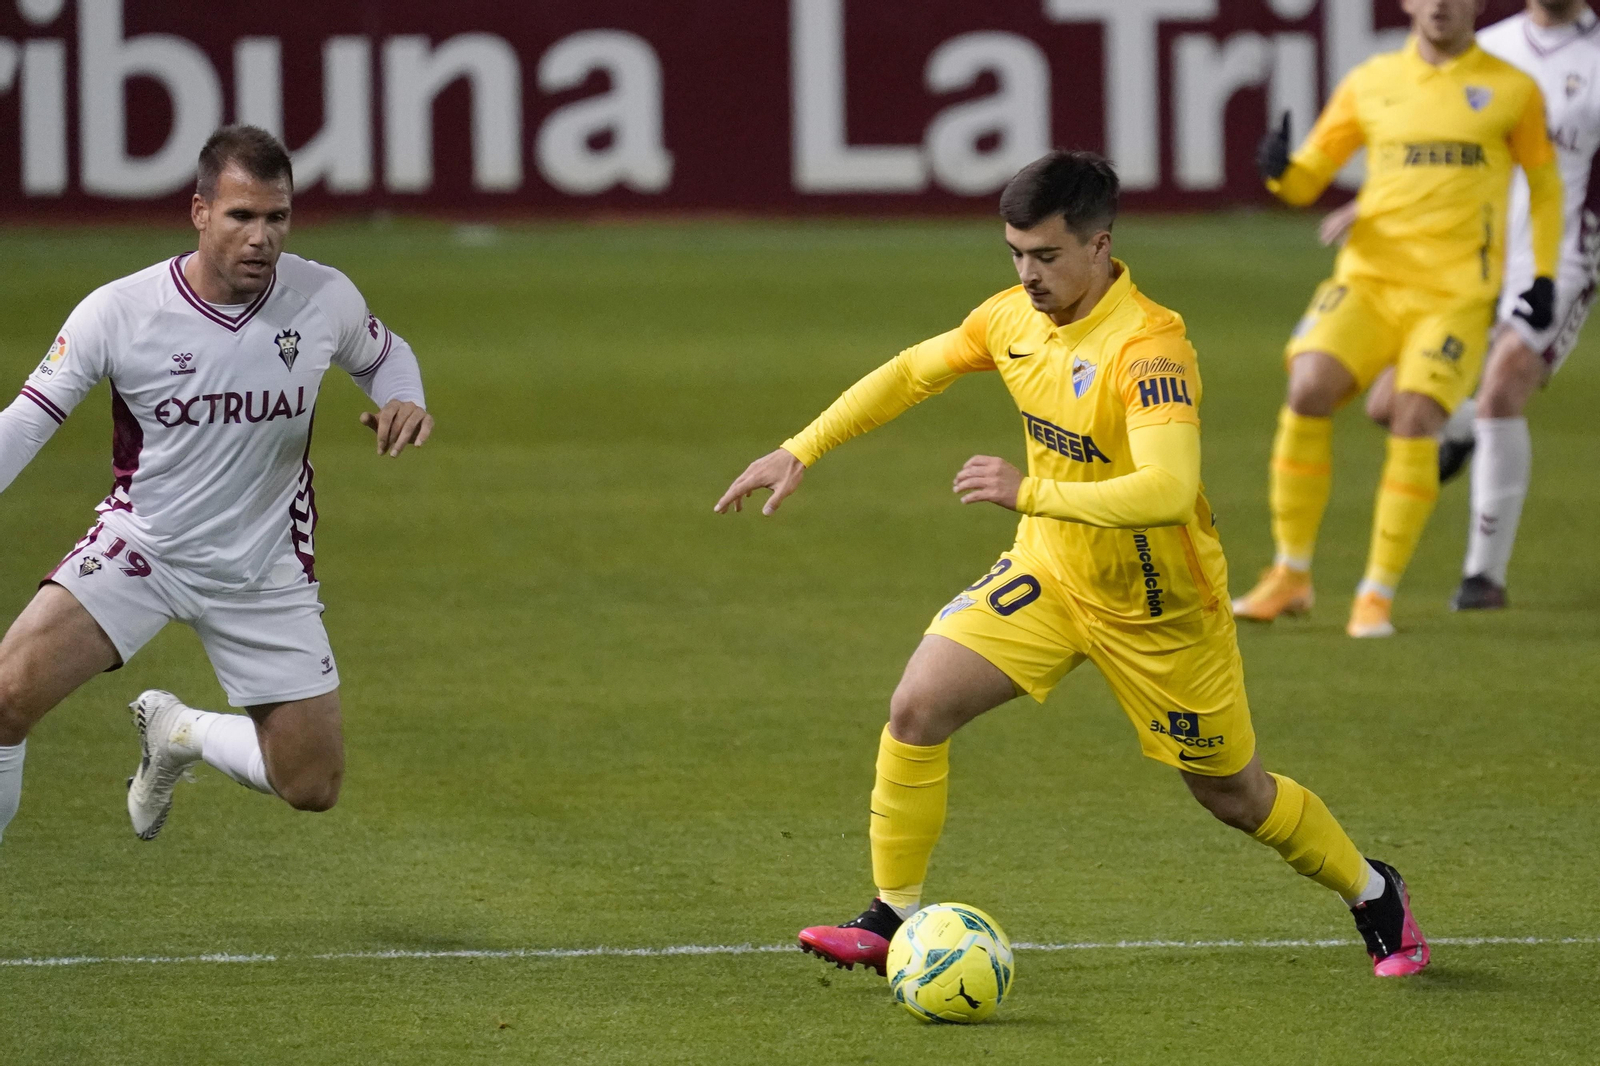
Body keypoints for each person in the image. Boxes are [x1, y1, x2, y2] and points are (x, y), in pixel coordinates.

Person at [715, 151, 1430, 979]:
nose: (1028, 275)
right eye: (1016, 254)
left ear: (1100, 246)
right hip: (1053, 574)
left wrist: (1031, 492)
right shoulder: (1013, 319)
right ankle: (890, 916)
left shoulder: (1150, 348)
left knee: (1235, 795)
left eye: (1046, 256)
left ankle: (1374, 890)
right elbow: (914, 370)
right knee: (916, 706)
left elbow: (1168, 489)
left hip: (1159, 605)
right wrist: (801, 448)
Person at [0, 126, 433, 844]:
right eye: (241, 216)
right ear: (200, 211)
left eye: (277, 217)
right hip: (146, 550)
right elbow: (20, 429)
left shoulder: (321, 297)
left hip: (263, 569)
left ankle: (182, 731)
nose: (261, 237)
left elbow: (386, 354)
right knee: (7, 697)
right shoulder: (119, 312)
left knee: (312, 784)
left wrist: (403, 398)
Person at [1235, 0, 1564, 636]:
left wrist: (1542, 277)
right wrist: (1279, 171)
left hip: (1455, 293)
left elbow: (1546, 188)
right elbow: (1307, 182)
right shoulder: (1370, 81)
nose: (1440, 5)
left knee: (1414, 413)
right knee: (1307, 386)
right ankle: (1290, 574)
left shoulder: (1511, 89)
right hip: (1370, 279)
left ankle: (1375, 593)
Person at [1352, 0, 1600, 611]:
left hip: (1561, 255)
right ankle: (1464, 431)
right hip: (1470, 256)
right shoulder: (1488, 49)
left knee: (1503, 386)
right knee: (1389, 404)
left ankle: (1482, 579)